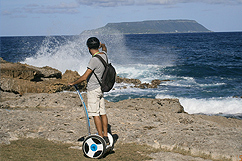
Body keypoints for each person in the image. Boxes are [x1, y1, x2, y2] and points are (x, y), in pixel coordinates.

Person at [69, 37, 110, 145]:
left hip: (93, 90)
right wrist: (103, 45)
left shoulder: (94, 60)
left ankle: (100, 137)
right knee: (103, 113)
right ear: (98, 46)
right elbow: (105, 48)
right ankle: (105, 135)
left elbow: (84, 77)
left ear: (88, 48)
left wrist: (73, 83)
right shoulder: (104, 55)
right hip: (101, 89)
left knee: (95, 114)